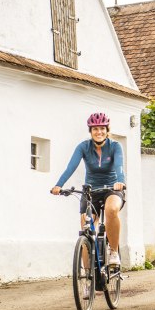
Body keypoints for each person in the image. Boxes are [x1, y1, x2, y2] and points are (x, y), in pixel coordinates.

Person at [51, 112, 126, 267]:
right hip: (91, 190)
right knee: (86, 228)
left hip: (112, 188)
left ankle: (113, 252)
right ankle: (87, 277)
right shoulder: (83, 147)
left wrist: (120, 181)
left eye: (102, 128)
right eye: (95, 129)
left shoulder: (115, 146)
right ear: (90, 131)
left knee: (112, 210)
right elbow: (71, 167)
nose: (99, 132)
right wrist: (59, 185)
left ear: (107, 130)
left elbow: (119, 166)